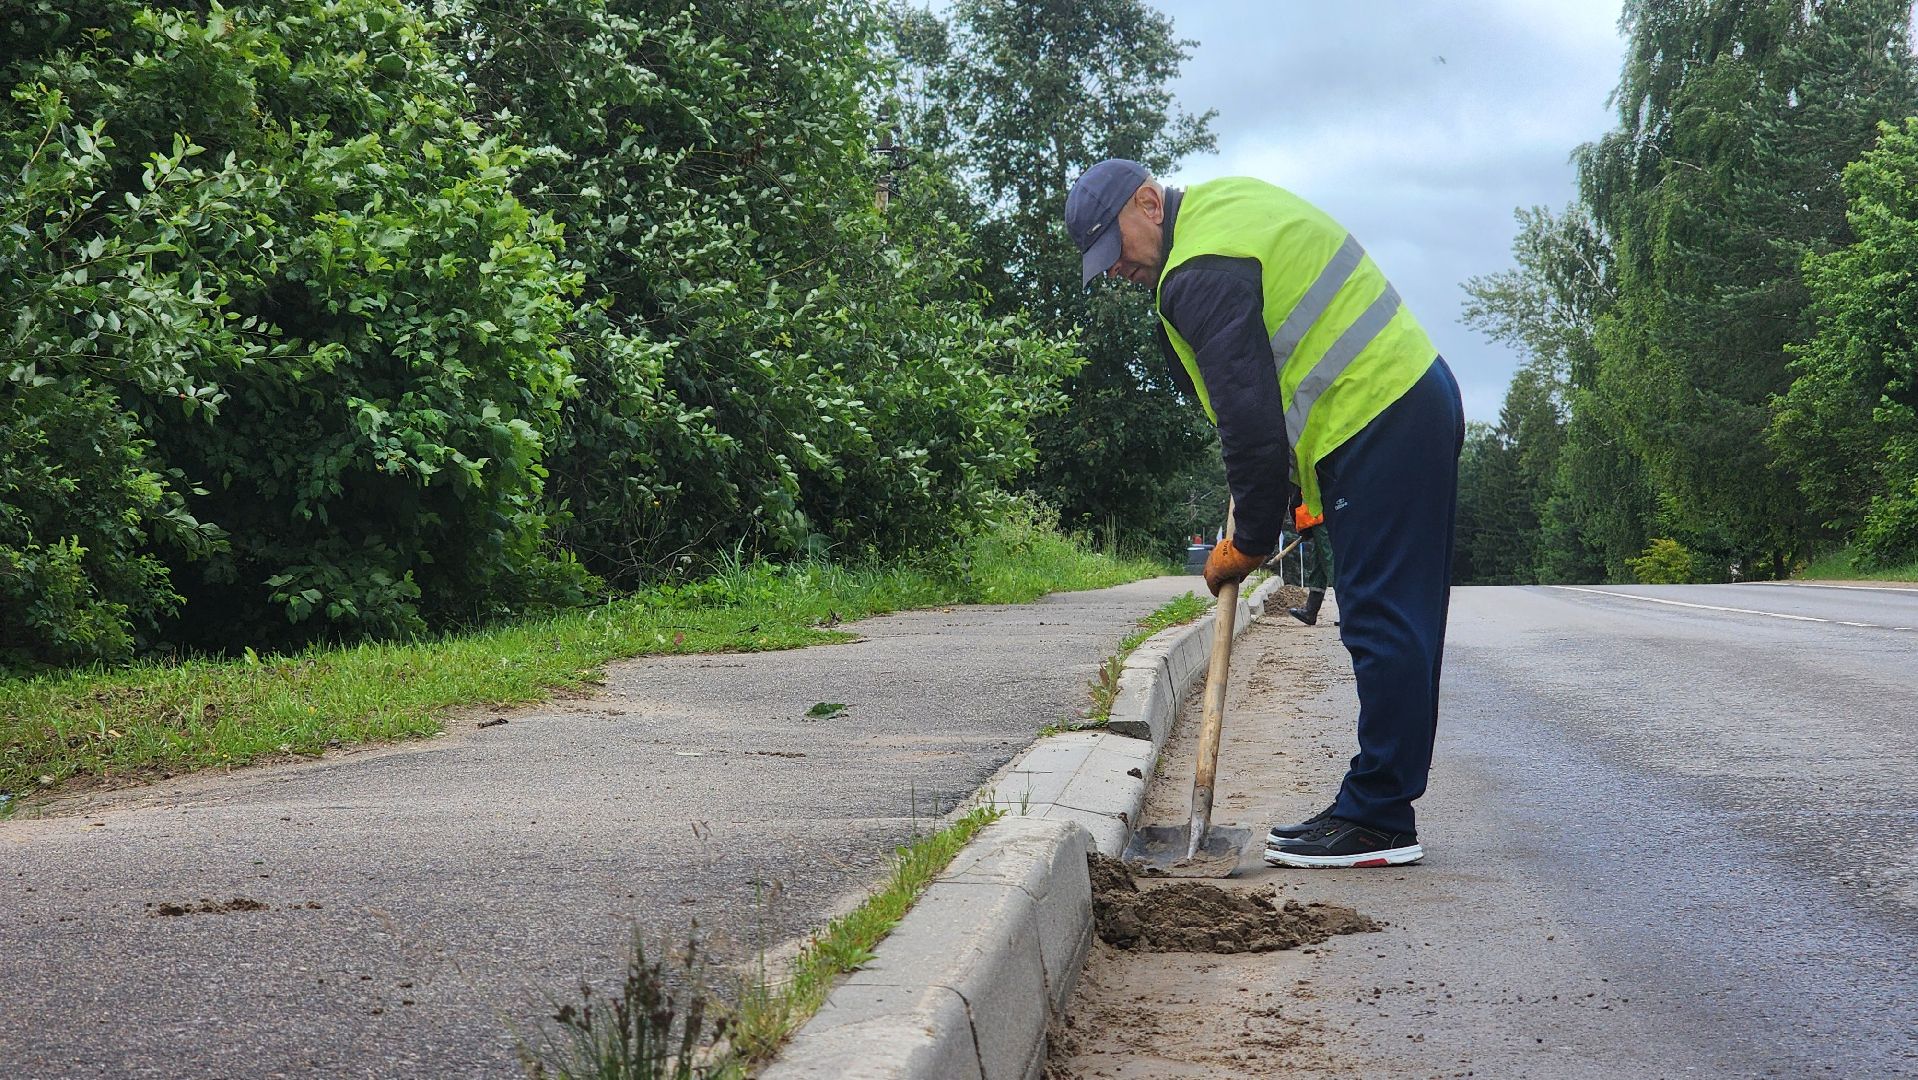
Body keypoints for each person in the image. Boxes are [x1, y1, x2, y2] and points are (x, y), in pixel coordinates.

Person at [1064, 158, 1463, 869]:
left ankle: (1377, 820)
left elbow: (1249, 427)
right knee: (1397, 615)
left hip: (1377, 415)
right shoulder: (1221, 211)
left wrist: (1246, 543)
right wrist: (1287, 500)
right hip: (1398, 404)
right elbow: (1271, 389)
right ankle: (1380, 805)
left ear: (1148, 204)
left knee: (1383, 619)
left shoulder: (1197, 272)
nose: (1117, 269)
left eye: (1115, 246)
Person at [1288, 504, 1333, 627]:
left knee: (1331, 561)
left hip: (1320, 515)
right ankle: (1311, 611)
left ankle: (1349, 610)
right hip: (1316, 516)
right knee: (1319, 563)